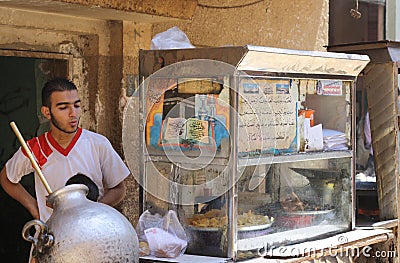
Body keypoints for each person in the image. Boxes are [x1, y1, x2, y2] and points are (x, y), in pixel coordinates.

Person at [0, 78, 131, 262]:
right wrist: (34, 208)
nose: (73, 114)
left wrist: (94, 212)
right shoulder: (35, 148)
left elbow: (119, 189)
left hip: (96, 241)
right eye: (63, 107)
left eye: (76, 105)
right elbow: (7, 178)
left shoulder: (97, 144)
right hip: (51, 241)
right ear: (47, 112)